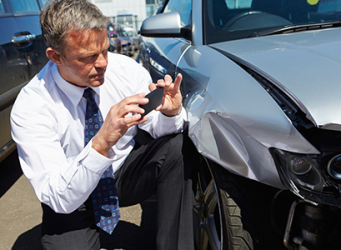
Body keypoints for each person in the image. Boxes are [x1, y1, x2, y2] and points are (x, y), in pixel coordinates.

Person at [10, 0, 199, 249]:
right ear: (55, 56)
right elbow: (58, 195)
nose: (103, 63)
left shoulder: (125, 70)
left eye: (105, 50)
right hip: (73, 194)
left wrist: (169, 114)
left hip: (122, 174)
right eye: (87, 57)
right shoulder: (32, 106)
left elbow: (157, 128)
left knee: (177, 145)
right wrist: (101, 141)